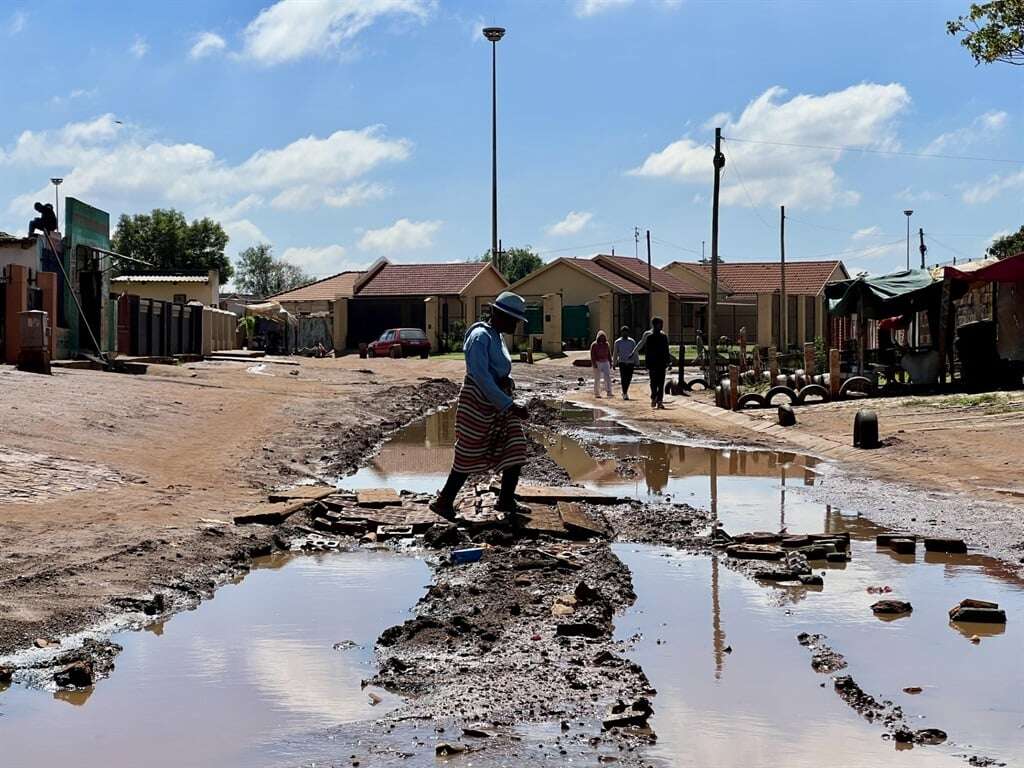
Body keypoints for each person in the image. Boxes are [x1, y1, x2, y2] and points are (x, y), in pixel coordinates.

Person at [430, 291, 531, 519]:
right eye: (514, 320)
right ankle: (444, 501)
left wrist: (506, 382)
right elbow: (480, 376)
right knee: (468, 450)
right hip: (479, 402)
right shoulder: (479, 336)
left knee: (516, 445)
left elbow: (496, 370)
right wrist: (509, 405)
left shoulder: (496, 335)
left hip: (497, 402)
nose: (516, 325)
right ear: (498, 315)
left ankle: (505, 500)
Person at [635, 316, 670, 409]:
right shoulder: (649, 337)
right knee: (653, 382)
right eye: (660, 324)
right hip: (653, 364)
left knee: (661, 383)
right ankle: (654, 397)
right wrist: (647, 364)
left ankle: (660, 401)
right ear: (655, 325)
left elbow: (666, 350)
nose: (662, 326)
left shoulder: (664, 337)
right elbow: (647, 352)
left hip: (661, 363)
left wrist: (668, 361)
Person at [612, 325, 637, 400]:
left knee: (629, 378)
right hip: (622, 362)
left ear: (628, 333)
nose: (624, 334)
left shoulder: (632, 342)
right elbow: (615, 353)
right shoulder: (618, 342)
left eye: (626, 332)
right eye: (623, 332)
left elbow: (635, 352)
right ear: (621, 333)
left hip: (630, 362)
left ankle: (625, 391)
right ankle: (625, 392)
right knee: (623, 378)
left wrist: (637, 361)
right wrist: (614, 363)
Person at [590, 330, 613, 398]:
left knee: (607, 377)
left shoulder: (606, 344)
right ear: (598, 337)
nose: (602, 338)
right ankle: (597, 393)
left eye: (603, 337)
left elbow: (609, 354)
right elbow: (592, 355)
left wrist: (610, 362)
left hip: (605, 362)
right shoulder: (594, 345)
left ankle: (609, 391)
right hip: (597, 362)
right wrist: (594, 363)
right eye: (601, 337)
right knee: (597, 378)